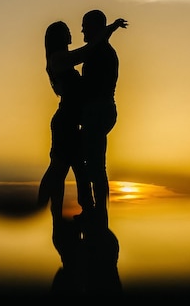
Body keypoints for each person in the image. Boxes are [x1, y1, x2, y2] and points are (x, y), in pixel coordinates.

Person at [38, 18, 127, 225]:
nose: (74, 32)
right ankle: (44, 210)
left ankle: (83, 211)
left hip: (72, 121)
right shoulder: (59, 58)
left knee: (78, 168)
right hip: (65, 122)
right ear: (60, 37)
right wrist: (109, 30)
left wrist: (106, 32)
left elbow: (89, 53)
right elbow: (86, 52)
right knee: (58, 170)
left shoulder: (64, 57)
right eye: (68, 31)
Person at [78, 10, 122, 230]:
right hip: (102, 111)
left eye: (85, 25)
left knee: (94, 166)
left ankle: (97, 215)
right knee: (94, 165)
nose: (82, 30)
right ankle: (96, 212)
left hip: (99, 111)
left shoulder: (100, 52)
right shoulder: (101, 48)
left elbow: (92, 87)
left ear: (95, 27)